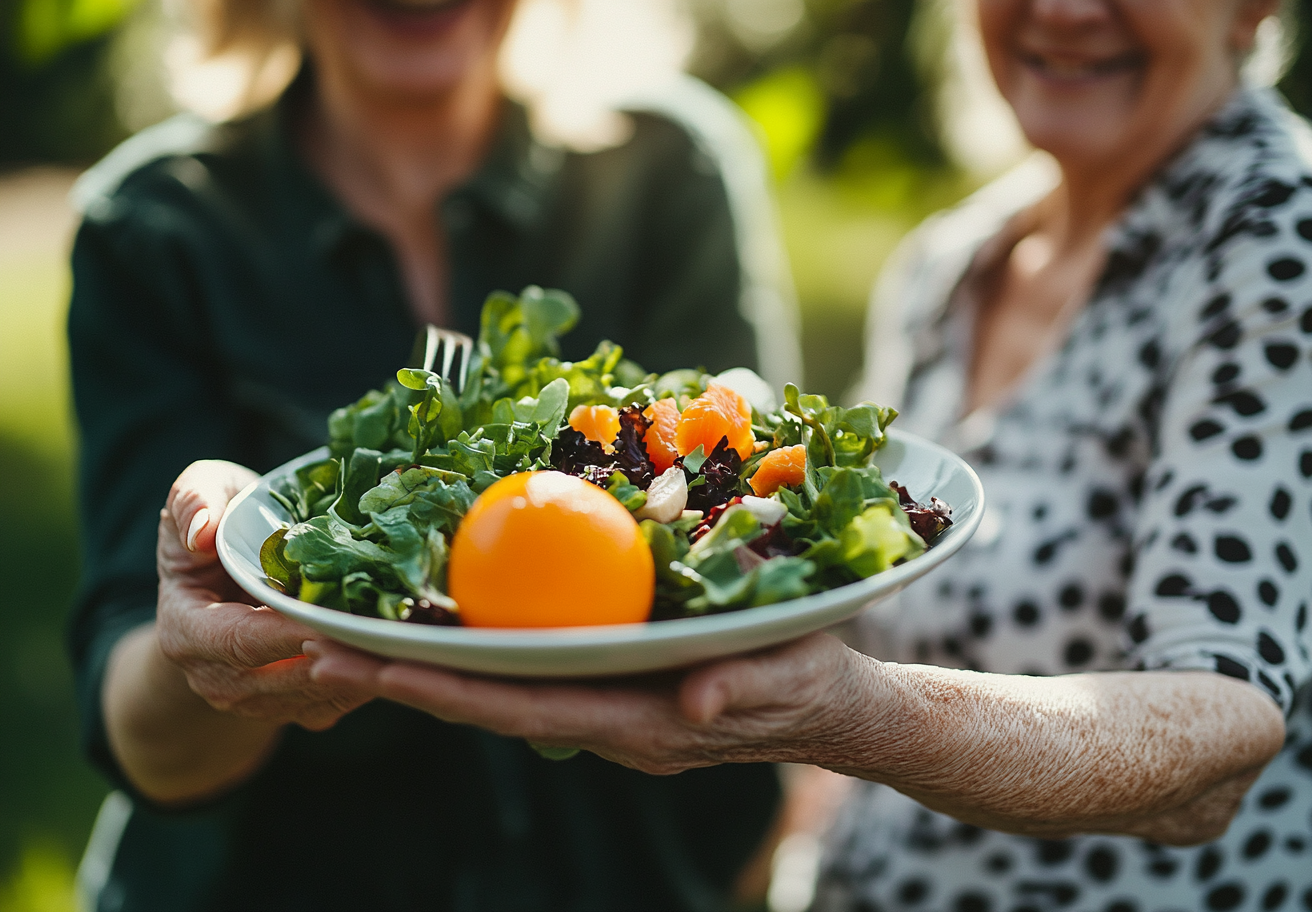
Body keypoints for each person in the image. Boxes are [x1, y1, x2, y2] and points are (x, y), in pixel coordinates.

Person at [297, 0, 1312, 909]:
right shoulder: (957, 260)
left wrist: (849, 717)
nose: (1064, 9)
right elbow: (860, 596)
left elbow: (1220, 739)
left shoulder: (1281, 245)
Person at [67, 1, 801, 909]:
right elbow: (148, 737)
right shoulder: (154, 228)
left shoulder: (664, 171)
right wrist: (213, 642)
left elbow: (767, 565)